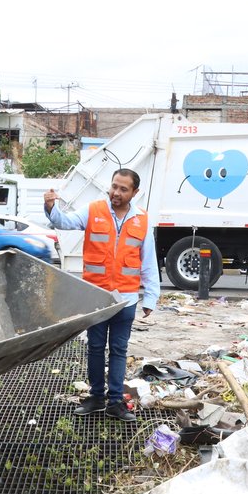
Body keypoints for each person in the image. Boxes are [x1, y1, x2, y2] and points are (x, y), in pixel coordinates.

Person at [44, 169, 160, 422]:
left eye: (123, 189)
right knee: (95, 348)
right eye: (114, 186)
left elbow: (148, 261)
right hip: (96, 296)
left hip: (126, 299)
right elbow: (64, 222)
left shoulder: (142, 220)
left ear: (135, 192)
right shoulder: (93, 210)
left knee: (118, 350)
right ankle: (96, 397)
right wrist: (51, 207)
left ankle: (115, 402)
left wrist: (151, 298)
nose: (116, 192)